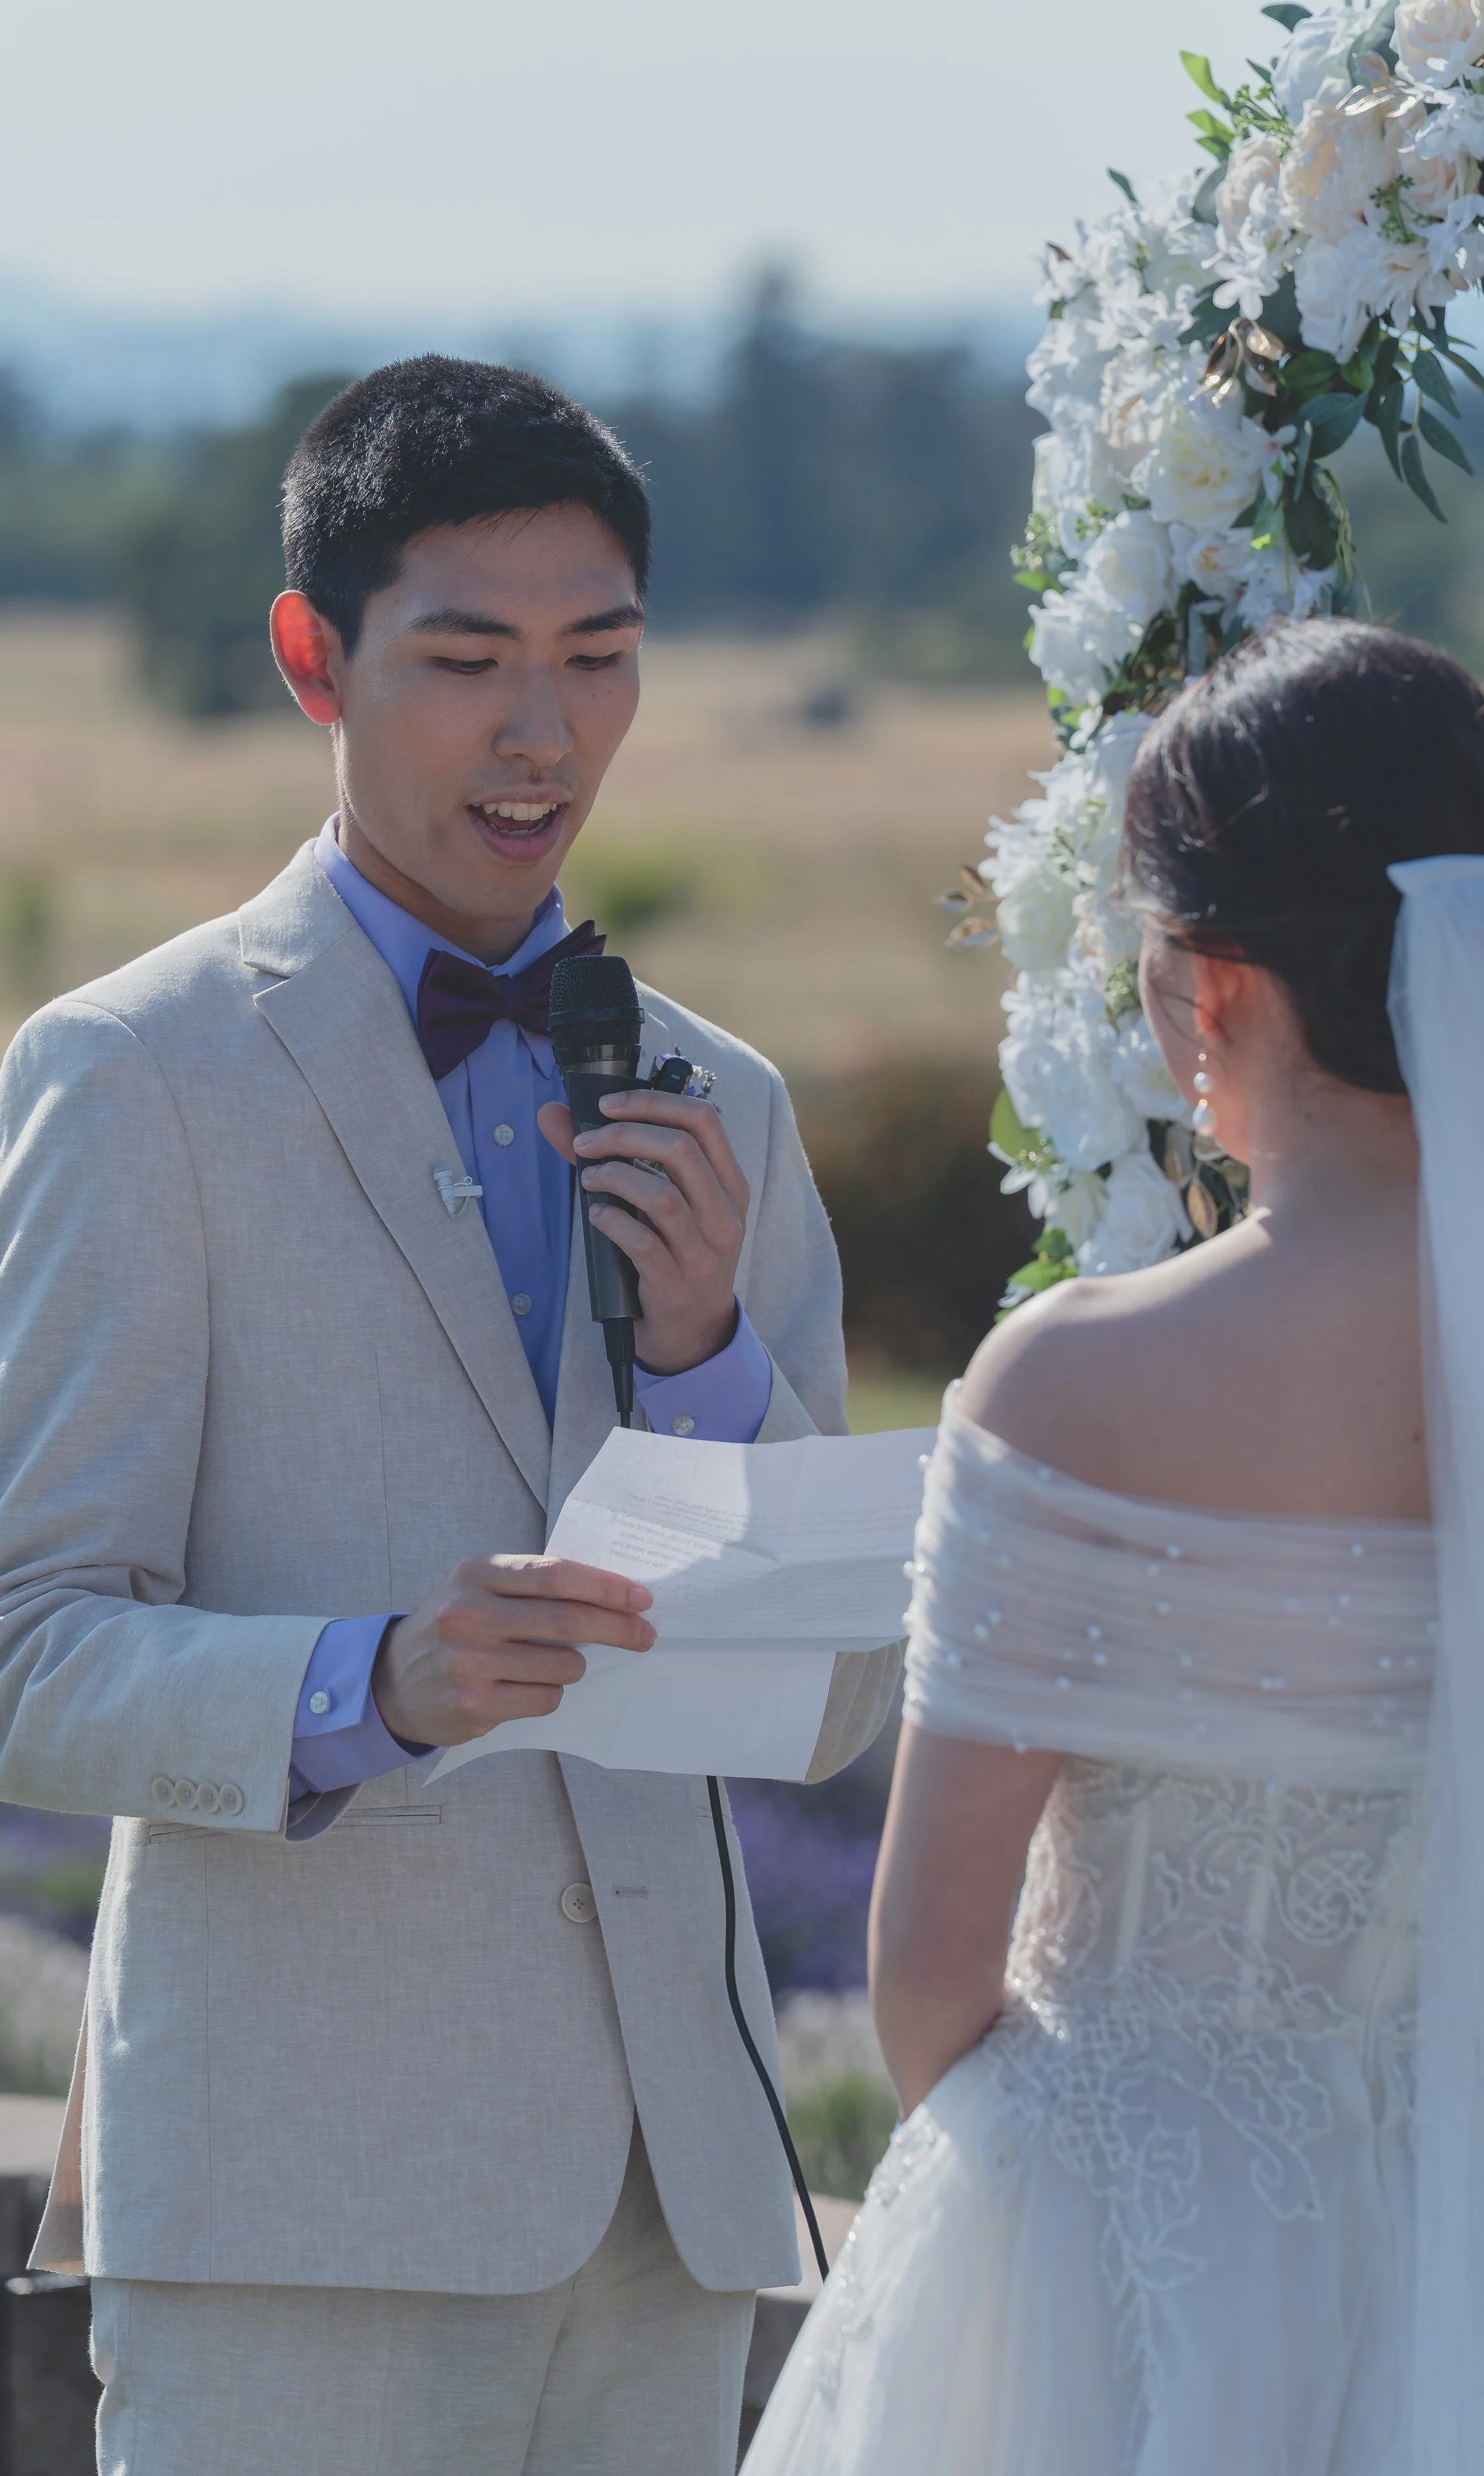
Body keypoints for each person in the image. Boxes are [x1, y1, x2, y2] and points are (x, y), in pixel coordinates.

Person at [0, 355, 900, 2476]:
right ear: (312, 656)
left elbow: (828, 1710)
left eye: (597, 658)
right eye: (465, 659)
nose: (539, 730)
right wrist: (375, 1681)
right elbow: (2, 1664)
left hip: (676, 2221)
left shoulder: (720, 1098)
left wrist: (718, 1351)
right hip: (295, 2223)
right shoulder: (134, 1076)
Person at [744, 617, 1484, 2474]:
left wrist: (1047, 2215)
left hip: (1124, 2242)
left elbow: (928, 1960)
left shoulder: (1078, 1377)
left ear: (1203, 980)